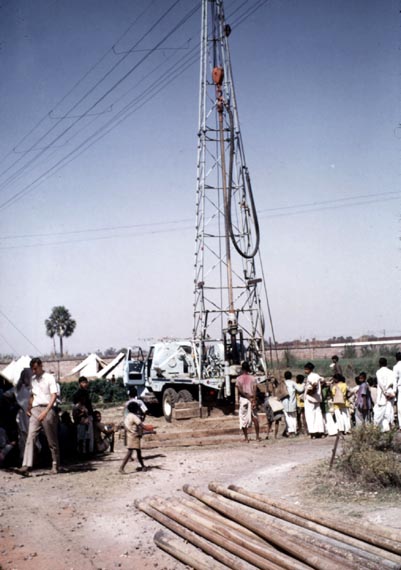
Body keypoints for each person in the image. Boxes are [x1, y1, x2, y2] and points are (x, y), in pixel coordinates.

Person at [15, 358, 61, 476]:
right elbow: (32, 395)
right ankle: (26, 465)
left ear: (41, 365)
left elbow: (53, 396)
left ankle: (55, 464)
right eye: (32, 369)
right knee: (30, 437)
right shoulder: (33, 380)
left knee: (51, 439)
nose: (34, 371)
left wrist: (46, 412)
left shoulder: (49, 378)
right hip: (35, 410)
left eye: (35, 368)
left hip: (48, 408)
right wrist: (29, 408)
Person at [236, 361, 260, 442]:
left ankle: (246, 438)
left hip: (244, 400)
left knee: (243, 418)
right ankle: (257, 437)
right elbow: (255, 389)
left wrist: (246, 396)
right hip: (252, 399)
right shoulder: (253, 378)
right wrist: (253, 399)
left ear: (242, 369)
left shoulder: (238, 378)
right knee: (255, 418)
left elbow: (239, 390)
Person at [119, 401, 147, 473]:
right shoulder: (134, 417)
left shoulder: (128, 416)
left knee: (138, 452)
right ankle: (121, 467)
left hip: (129, 435)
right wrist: (148, 428)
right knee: (131, 452)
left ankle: (143, 466)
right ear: (136, 409)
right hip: (134, 436)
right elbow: (140, 424)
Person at [72, 376, 94, 453]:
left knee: (87, 436)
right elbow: (77, 407)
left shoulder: (86, 392)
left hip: (87, 417)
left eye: (86, 382)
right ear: (80, 383)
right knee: (82, 437)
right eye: (83, 383)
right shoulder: (78, 394)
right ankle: (82, 453)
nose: (85, 384)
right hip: (81, 418)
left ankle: (87, 452)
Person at [303, 362, 325, 438]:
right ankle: (320, 431)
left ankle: (313, 432)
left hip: (310, 398)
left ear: (309, 369)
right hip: (317, 398)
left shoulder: (310, 376)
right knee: (318, 415)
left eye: (306, 369)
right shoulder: (317, 375)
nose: (305, 371)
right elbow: (323, 380)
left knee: (310, 415)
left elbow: (314, 384)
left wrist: (311, 391)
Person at [374, 357, 395, 432]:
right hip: (390, 392)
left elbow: (380, 383)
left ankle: (379, 428)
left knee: (379, 411)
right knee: (389, 410)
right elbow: (393, 382)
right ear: (386, 363)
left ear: (379, 364)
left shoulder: (378, 372)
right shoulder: (391, 372)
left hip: (382, 394)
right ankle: (389, 426)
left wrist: (385, 392)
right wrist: (391, 392)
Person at [281, 371, 297, 436]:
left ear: (285, 377)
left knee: (287, 417)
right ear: (291, 376)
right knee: (293, 417)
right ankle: (294, 430)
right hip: (292, 402)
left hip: (284, 403)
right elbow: (300, 389)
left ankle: (290, 430)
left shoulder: (282, 384)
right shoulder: (293, 383)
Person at [393, 352, 401, 430]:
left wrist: (394, 392)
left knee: (400, 407)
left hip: (400, 387)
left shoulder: (396, 367)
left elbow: (394, 380)